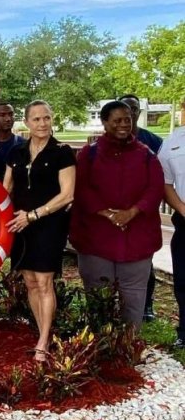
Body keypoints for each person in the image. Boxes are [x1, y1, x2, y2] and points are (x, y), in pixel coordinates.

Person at [70, 100, 164, 328]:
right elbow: (80, 188)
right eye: (117, 120)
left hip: (136, 238)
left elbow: (155, 188)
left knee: (133, 299)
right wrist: (107, 214)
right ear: (104, 122)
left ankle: (129, 349)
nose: (124, 125)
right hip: (96, 239)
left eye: (128, 120)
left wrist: (132, 212)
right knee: (99, 298)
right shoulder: (88, 155)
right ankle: (100, 348)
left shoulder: (146, 155)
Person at [3, 100, 76, 362]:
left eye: (47, 118)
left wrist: (34, 215)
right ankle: (41, 331)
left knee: (44, 282)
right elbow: (6, 190)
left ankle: (44, 341)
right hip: (19, 225)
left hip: (48, 225)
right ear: (27, 122)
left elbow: (67, 194)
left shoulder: (62, 152)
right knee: (30, 281)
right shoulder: (17, 153)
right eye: (36, 119)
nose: (43, 123)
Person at [119, 94, 163, 321]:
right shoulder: (105, 143)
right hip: (114, 214)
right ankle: (117, 306)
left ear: (138, 112)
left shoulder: (152, 142)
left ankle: (146, 305)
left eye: (133, 108)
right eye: (125, 107)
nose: (129, 112)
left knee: (144, 264)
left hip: (141, 214)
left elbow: (160, 180)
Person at [159, 122, 185, 349]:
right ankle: (184, 333)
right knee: (183, 280)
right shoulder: (172, 142)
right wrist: (183, 209)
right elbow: (165, 184)